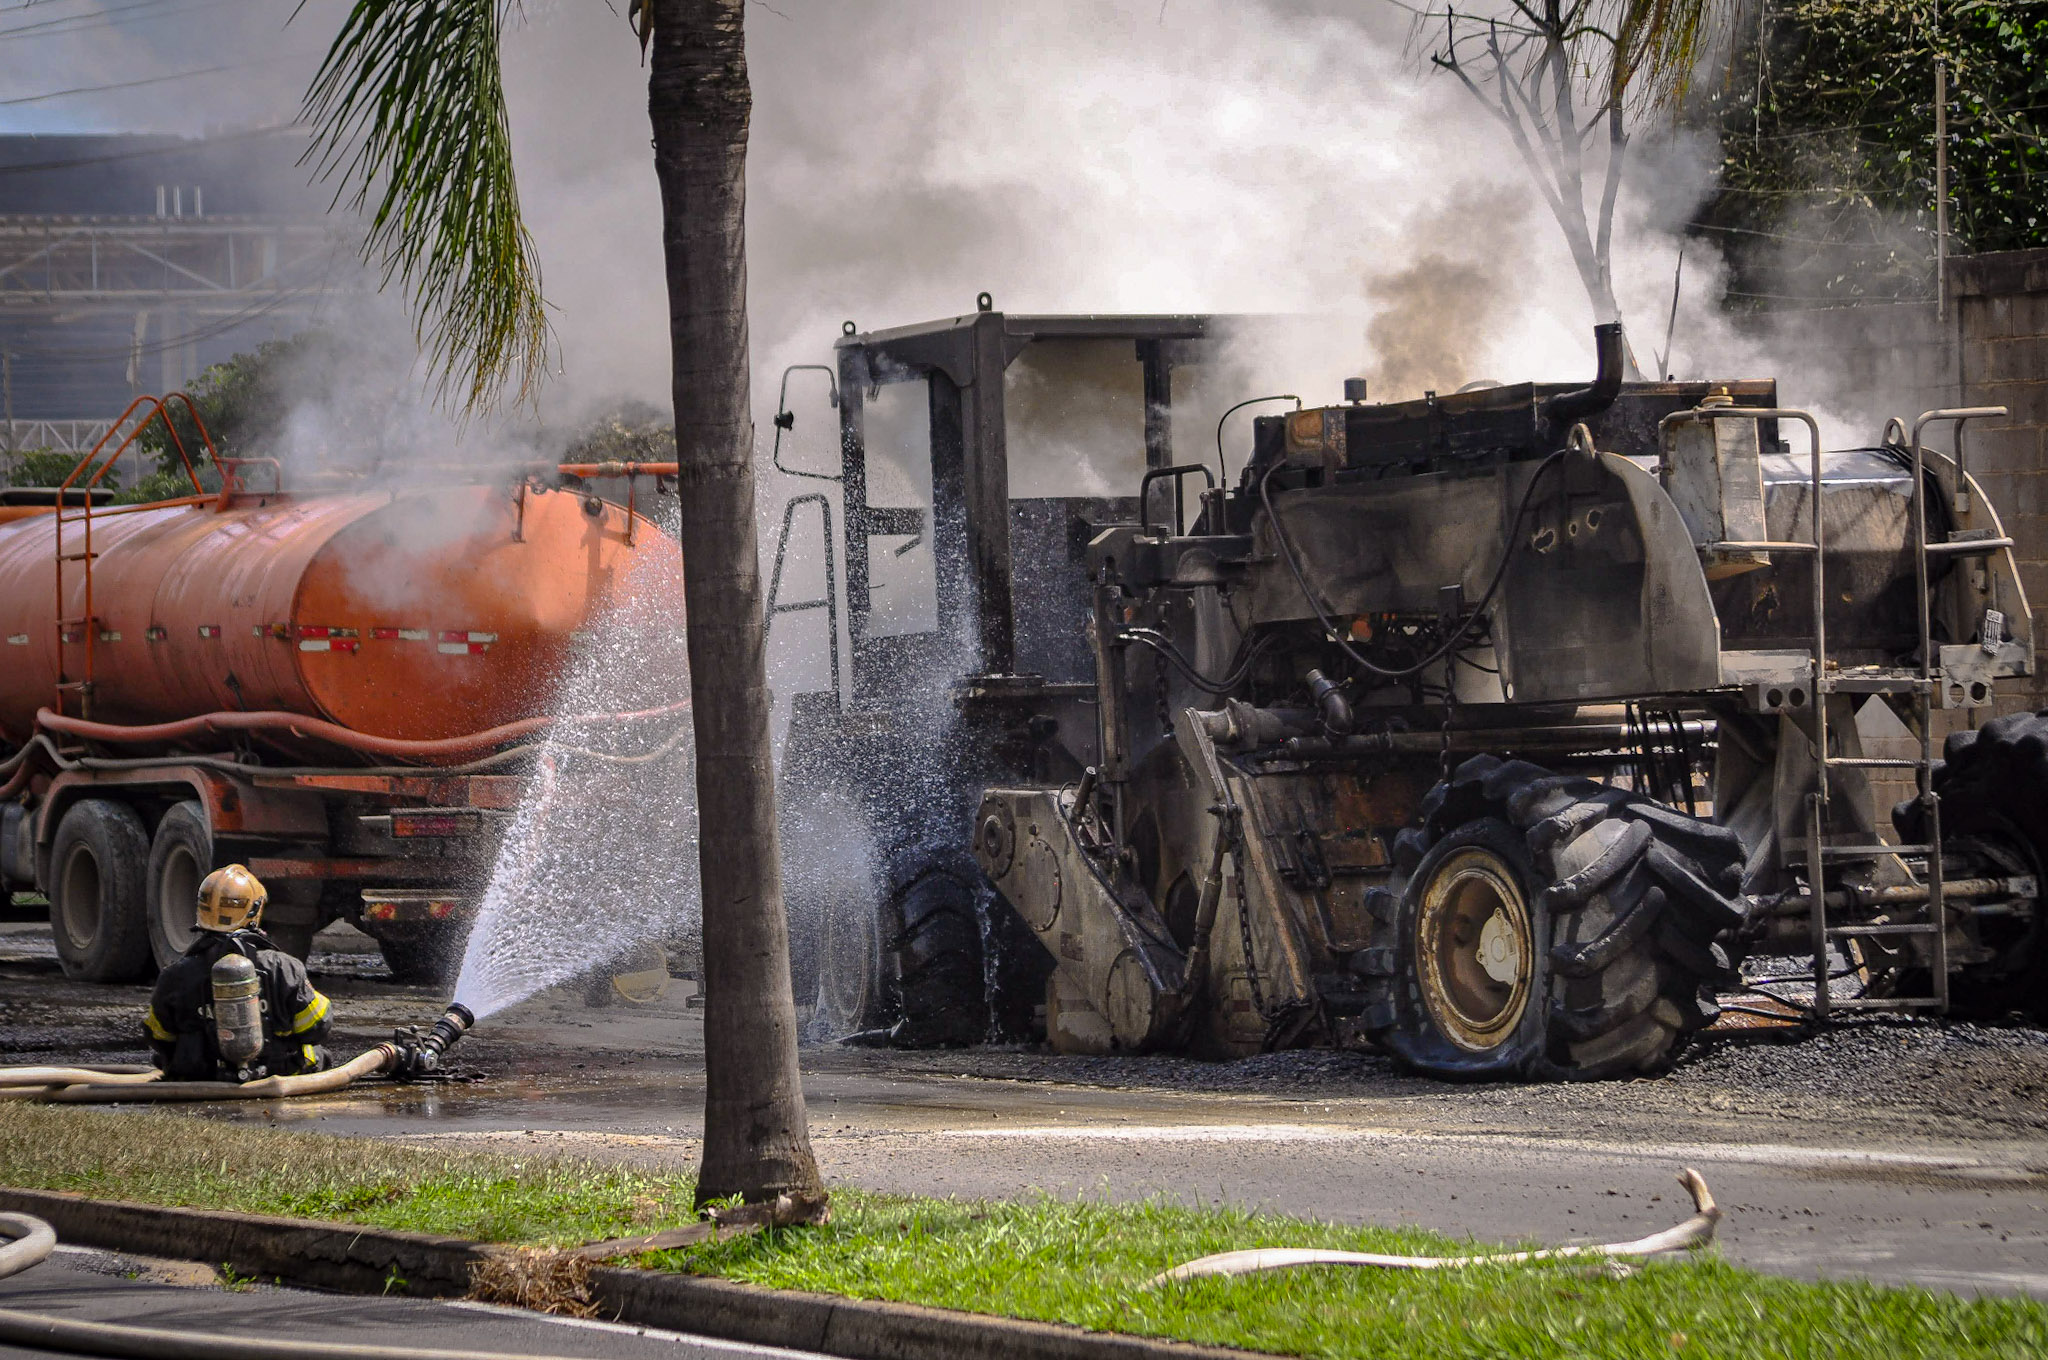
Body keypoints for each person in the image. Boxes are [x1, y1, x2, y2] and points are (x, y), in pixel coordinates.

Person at [143, 864, 332, 1080]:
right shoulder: (284, 967)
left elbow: (157, 1036)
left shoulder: (175, 975)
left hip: (200, 1078)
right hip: (275, 1073)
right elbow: (317, 1026)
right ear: (254, 909)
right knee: (317, 1054)